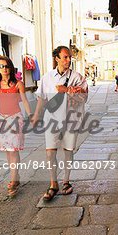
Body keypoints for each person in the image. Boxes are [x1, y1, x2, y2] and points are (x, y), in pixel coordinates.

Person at [31, 46, 88, 201]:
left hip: (71, 119)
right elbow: (42, 98)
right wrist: (36, 115)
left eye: (69, 57)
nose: (68, 60)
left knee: (68, 151)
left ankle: (66, 181)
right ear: (56, 58)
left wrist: (67, 89)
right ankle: (53, 183)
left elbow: (84, 95)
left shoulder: (77, 77)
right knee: (50, 152)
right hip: (51, 119)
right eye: (64, 57)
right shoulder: (47, 77)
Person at [0, 56, 32, 197]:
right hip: (2, 119)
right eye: (0, 66)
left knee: (13, 150)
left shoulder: (18, 84)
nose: (4, 69)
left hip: (15, 119)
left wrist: (31, 116)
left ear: (10, 68)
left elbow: (24, 101)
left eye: (6, 66)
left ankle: (13, 180)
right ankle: (16, 177)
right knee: (8, 151)